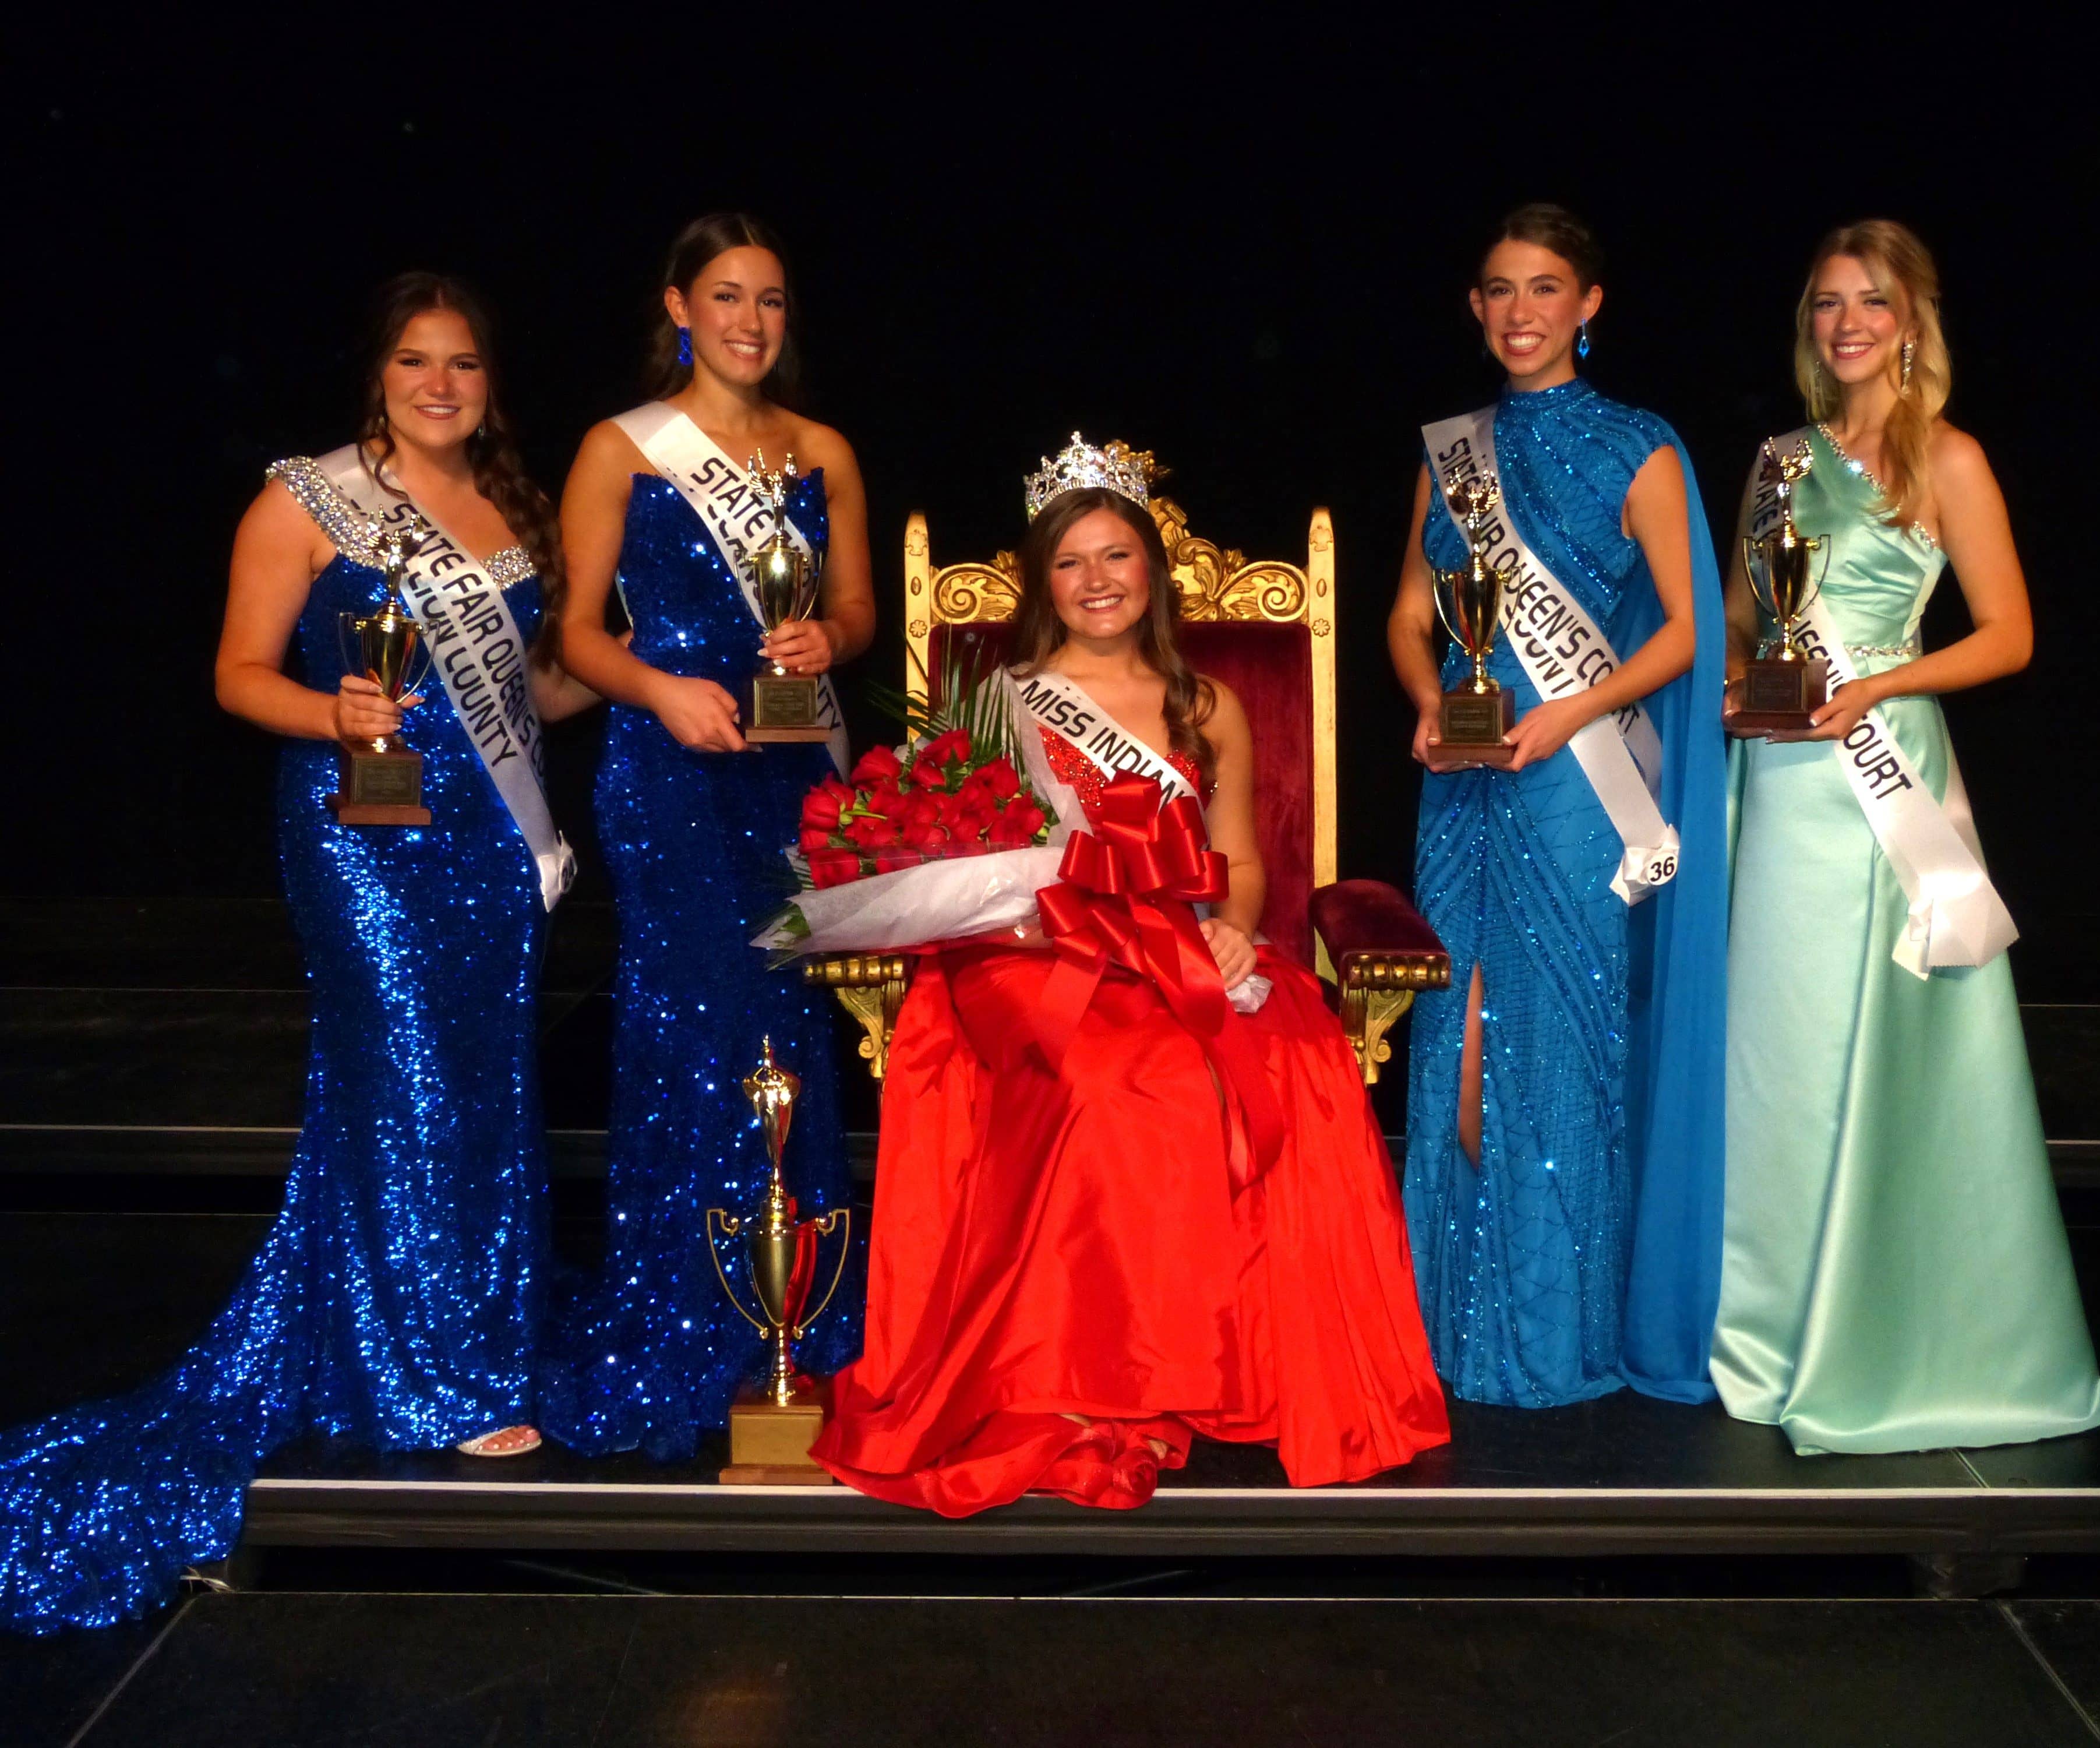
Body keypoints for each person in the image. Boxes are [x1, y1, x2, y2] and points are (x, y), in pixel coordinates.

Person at [2, 272, 594, 1633]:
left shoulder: (514, 509)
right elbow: (237, 674)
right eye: (414, 362)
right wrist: (334, 713)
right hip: (360, 831)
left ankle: (441, 1333)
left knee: (484, 1090)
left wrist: (672, 666)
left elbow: (533, 689)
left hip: (489, 842)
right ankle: (428, 1382)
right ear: (376, 376)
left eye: (461, 364)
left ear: (489, 382)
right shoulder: (306, 501)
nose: (439, 385)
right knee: (406, 1086)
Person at [811, 439, 1450, 1513]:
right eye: (1071, 562)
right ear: (1042, 582)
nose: (1097, 580)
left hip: (1176, 943)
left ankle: (1241, 1371)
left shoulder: (1206, 706)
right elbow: (971, 866)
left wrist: (1235, 931)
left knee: (1291, 1058)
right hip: (1041, 950)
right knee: (1116, 1078)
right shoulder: (1003, 701)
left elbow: (1241, 861)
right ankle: (1090, 1375)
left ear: (1151, 568)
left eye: (1116, 556)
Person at [1712, 220, 2100, 1454]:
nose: (1847, 323)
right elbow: (1742, 621)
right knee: (1774, 1051)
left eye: (1871, 302)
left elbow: (2009, 634)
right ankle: (1762, 1324)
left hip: (1879, 781)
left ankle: (1878, 1330)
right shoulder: (1778, 461)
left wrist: (1881, 685)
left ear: (1910, 323)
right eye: (1827, 302)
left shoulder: (1948, 458)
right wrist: (1737, 685)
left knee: (1875, 1042)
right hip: (1778, 780)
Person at [542, 213, 873, 1460]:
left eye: (771, 300)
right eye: (727, 296)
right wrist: (660, 690)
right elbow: (574, 636)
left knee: (790, 1033)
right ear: (679, 307)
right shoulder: (619, 448)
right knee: (697, 1027)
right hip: (669, 767)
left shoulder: (824, 451)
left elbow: (856, 610)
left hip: (789, 770)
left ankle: (797, 1315)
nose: (751, 321)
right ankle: (687, 1306)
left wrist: (826, 640)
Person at [1386, 205, 1730, 1408]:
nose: (1519, 311)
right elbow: (1408, 617)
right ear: (1474, 308)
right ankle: (1451, 1333)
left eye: (1544, 288)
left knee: (1557, 1054)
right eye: (1499, 289)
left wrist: (1573, 711)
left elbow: (1688, 631)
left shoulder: (1640, 446)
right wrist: (1429, 703)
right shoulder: (1450, 453)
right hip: (1462, 786)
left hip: (1577, 786)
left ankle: (1553, 1334)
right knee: (1456, 1045)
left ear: (1589, 305)